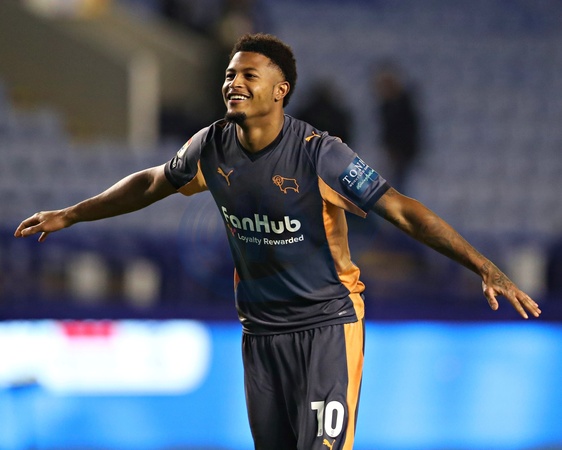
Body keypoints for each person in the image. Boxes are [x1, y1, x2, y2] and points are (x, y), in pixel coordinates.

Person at [14, 33, 541, 450]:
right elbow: (152, 182)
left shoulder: (320, 154)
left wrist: (483, 265)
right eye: (229, 74)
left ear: (279, 90)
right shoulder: (211, 146)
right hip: (261, 334)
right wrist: (71, 214)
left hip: (326, 326)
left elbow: (402, 210)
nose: (233, 83)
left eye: (249, 75)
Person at [373, 61, 421, 192]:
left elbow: (409, 129)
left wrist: (401, 150)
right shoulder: (386, 106)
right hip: (390, 153)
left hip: (402, 153)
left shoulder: (404, 105)